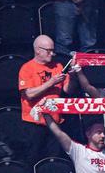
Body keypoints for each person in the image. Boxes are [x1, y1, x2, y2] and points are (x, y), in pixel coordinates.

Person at [19, 34, 71, 164]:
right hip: (35, 123)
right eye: (48, 50)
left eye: (53, 50)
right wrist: (50, 83)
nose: (52, 54)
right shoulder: (27, 68)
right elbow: (29, 94)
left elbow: (68, 90)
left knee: (55, 161)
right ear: (38, 50)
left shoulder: (58, 66)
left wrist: (75, 76)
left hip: (55, 122)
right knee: (32, 160)